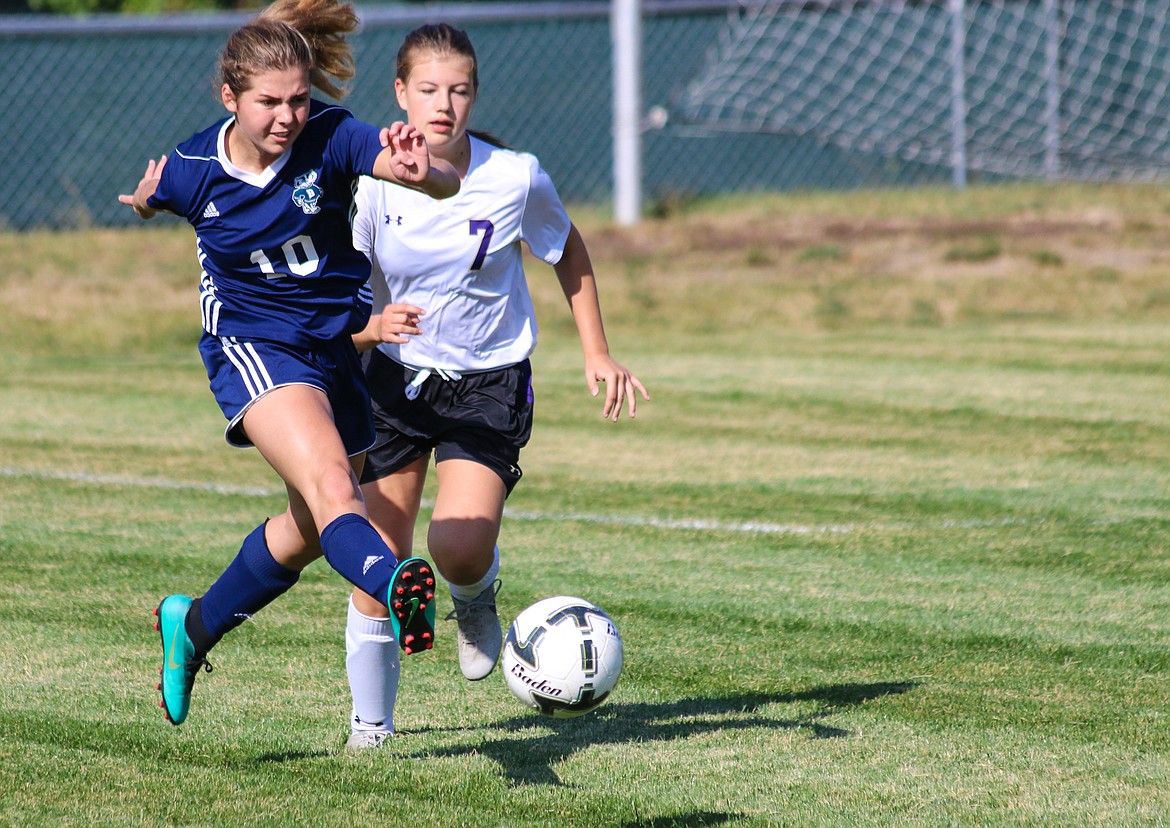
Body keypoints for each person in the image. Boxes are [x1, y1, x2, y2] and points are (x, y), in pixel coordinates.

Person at [117, 0, 460, 728]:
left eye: (299, 99)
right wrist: (148, 201)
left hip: (335, 352)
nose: (286, 116)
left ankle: (195, 626)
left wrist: (420, 171)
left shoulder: (332, 137)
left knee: (307, 527)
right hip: (252, 349)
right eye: (268, 102)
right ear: (229, 99)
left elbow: (433, 180)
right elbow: (158, 196)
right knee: (338, 488)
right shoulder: (194, 168)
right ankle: (394, 582)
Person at [340, 22, 650, 748]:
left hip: (488, 382)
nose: (444, 104)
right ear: (399, 93)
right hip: (391, 381)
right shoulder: (366, 185)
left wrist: (597, 352)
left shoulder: (514, 175)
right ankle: (371, 727)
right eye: (428, 89)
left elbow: (564, 246)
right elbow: (338, 300)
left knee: (455, 546)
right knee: (378, 559)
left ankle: (474, 593)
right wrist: (371, 327)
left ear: (474, 94)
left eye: (459, 89)